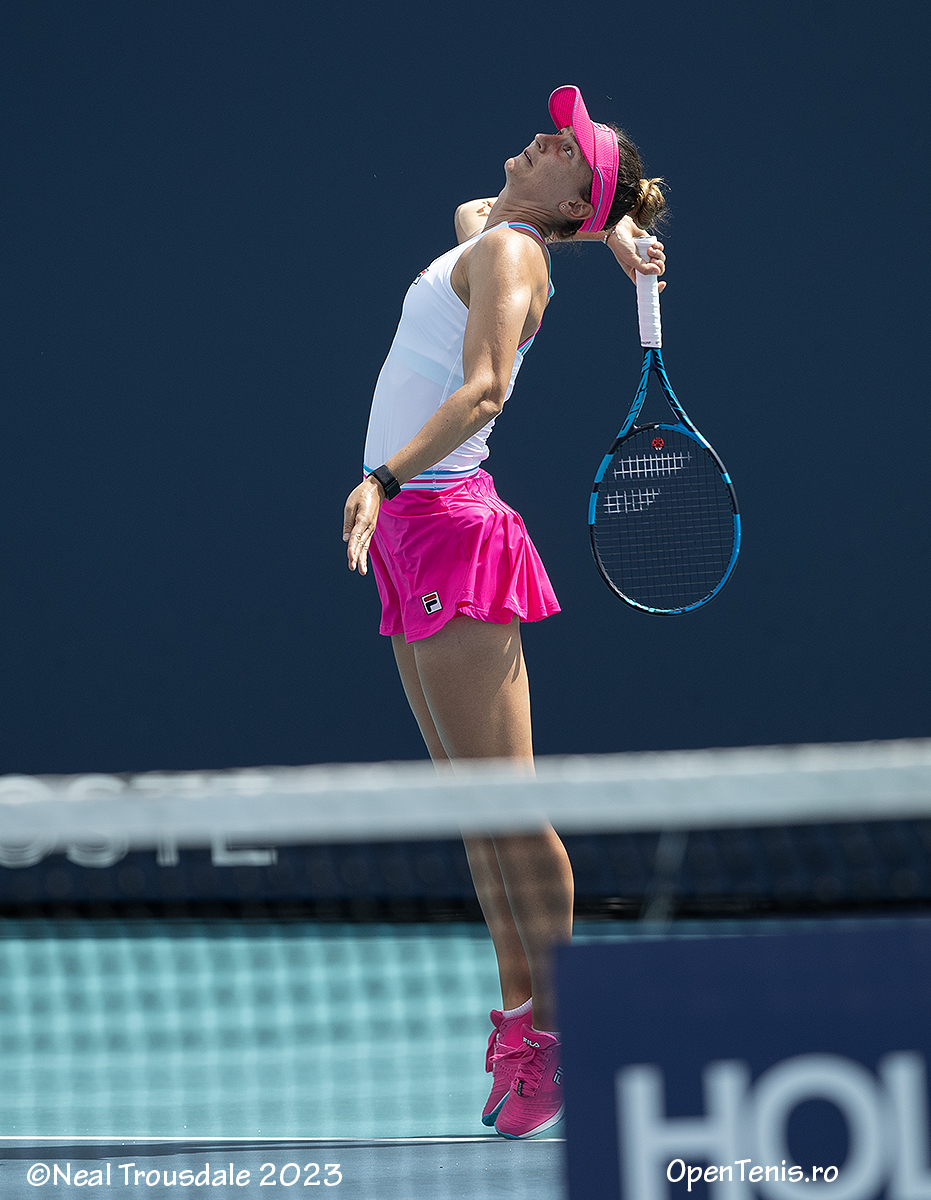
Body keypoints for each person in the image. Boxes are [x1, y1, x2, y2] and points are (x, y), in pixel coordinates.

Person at [342, 85, 665, 1139]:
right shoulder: (497, 236)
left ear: (569, 194)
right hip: (415, 535)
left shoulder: (514, 255)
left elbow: (483, 390)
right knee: (473, 809)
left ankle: (565, 1032)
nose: (541, 136)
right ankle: (523, 1023)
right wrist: (613, 232)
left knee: (508, 809)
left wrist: (382, 478)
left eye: (564, 143)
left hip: (444, 525)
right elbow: (480, 212)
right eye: (554, 130)